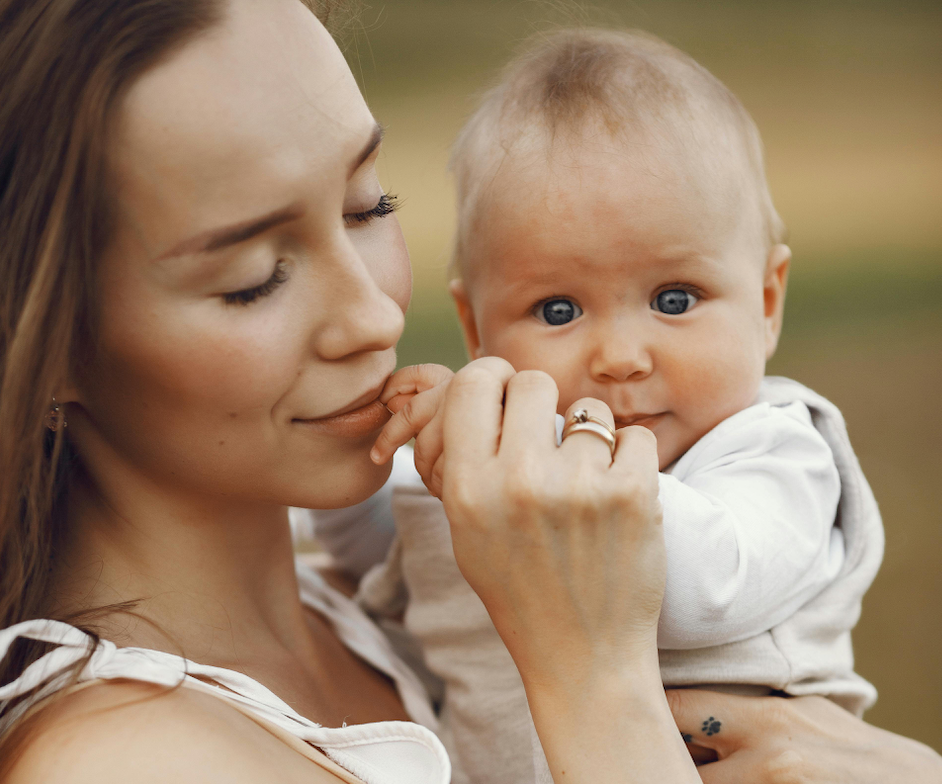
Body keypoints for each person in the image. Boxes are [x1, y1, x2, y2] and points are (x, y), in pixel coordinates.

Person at [0, 2, 939, 783]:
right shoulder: (128, 760)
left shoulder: (347, 616)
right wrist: (594, 682)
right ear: (47, 342)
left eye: (369, 206)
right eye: (253, 279)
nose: (374, 313)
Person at [307, 29, 884, 784]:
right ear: (477, 331)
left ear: (767, 303)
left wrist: (532, 438)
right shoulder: (486, 471)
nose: (619, 356)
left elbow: (704, 590)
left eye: (674, 299)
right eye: (558, 310)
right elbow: (380, 544)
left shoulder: (776, 453)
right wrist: (367, 447)